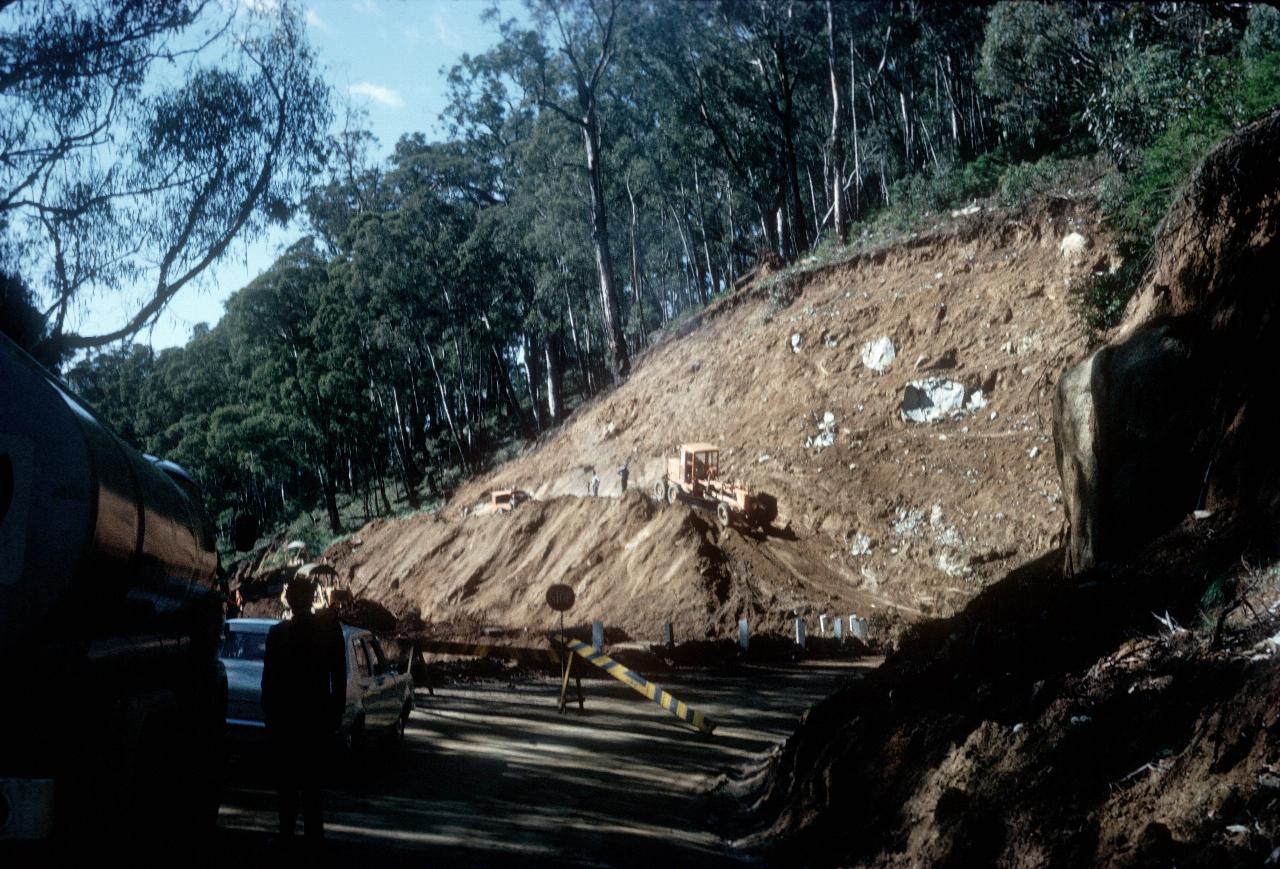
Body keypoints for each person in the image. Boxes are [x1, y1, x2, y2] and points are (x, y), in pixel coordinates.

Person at [261, 576, 347, 846]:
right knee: (311, 789)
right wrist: (335, 714)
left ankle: (286, 839)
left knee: (287, 788)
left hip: (286, 722)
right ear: (312, 599)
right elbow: (339, 677)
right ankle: (314, 844)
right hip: (315, 721)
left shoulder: (277, 634)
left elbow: (269, 681)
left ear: (289, 601)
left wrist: (271, 717)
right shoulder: (329, 631)